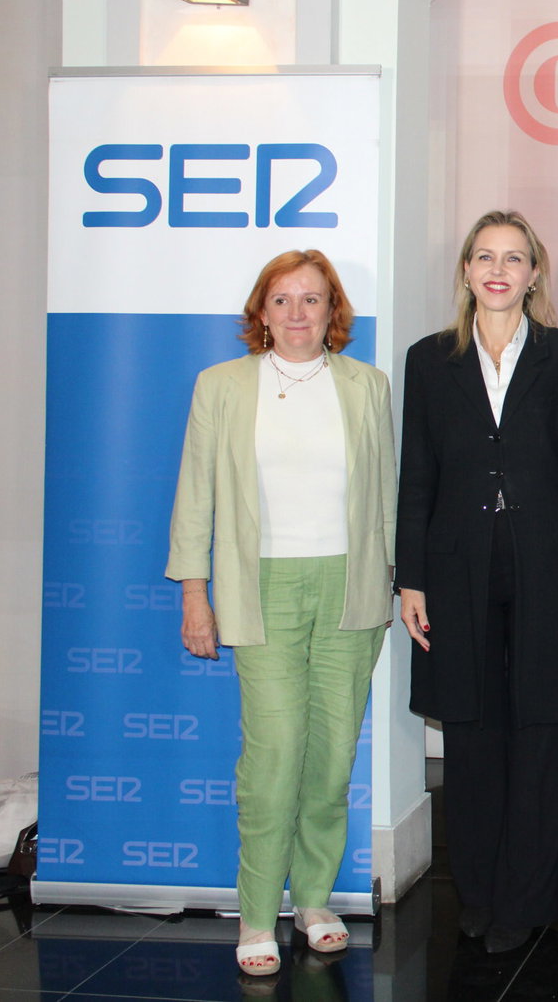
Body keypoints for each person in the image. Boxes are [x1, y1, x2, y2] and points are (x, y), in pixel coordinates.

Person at [165, 249, 396, 978]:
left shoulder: (368, 386)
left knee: (332, 755)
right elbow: (195, 494)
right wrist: (194, 593)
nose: (298, 313)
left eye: (313, 299)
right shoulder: (222, 386)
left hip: (351, 588)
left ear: (334, 312)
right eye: (283, 299)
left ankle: (316, 900)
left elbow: (387, 496)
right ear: (261, 312)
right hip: (259, 588)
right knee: (273, 756)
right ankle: (259, 913)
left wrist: (401, 581)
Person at [396, 211, 558, 954]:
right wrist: (411, 577)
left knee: (541, 730)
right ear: (465, 271)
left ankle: (528, 899)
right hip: (456, 565)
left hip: (548, 562)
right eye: (484, 256)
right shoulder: (429, 359)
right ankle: (479, 894)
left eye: (514, 258)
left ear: (534, 274)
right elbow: (417, 473)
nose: (498, 270)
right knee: (470, 731)